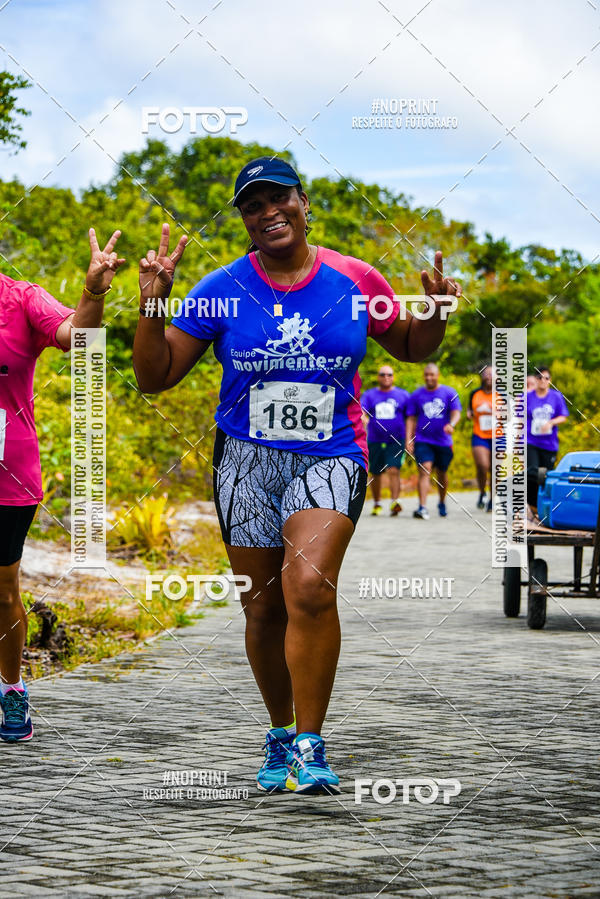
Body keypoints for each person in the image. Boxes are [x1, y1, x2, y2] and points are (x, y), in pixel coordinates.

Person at [132, 156, 461, 795]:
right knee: (263, 606)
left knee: (308, 586)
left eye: (279, 199)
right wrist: (152, 305)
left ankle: (311, 742)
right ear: (245, 221)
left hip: (332, 450)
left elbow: (413, 348)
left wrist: (439, 313)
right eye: (253, 206)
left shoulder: (355, 277)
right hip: (246, 457)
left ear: (304, 203)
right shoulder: (220, 288)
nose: (268, 213)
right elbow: (155, 376)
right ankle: (280, 730)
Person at [0, 229, 125, 743]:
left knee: (3, 588)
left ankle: (11, 691)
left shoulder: (21, 298)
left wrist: (93, 292)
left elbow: (81, 337)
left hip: (7, 473)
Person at [405, 363, 461, 519]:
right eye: (426, 375)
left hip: (443, 441)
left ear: (438, 375)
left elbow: (456, 412)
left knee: (442, 473)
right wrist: (409, 439)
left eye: (432, 375)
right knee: (425, 469)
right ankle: (422, 507)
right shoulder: (417, 395)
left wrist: (452, 424)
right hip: (423, 439)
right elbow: (411, 418)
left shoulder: (449, 392)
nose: (429, 378)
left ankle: (442, 501)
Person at [361, 366, 409, 516]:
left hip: (396, 439)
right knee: (376, 472)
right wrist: (365, 420)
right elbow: (361, 412)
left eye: (389, 374)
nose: (386, 377)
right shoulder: (370, 395)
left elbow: (411, 418)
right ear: (378, 377)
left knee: (393, 469)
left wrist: (409, 440)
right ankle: (377, 503)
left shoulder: (403, 395)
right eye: (383, 374)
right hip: (375, 439)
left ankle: (395, 502)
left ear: (393, 377)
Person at [526, 366, 569, 517]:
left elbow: (563, 416)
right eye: (539, 378)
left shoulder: (556, 397)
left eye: (546, 378)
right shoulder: (527, 397)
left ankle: (542, 507)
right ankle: (531, 507)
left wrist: (551, 423)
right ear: (535, 380)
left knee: (545, 475)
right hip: (531, 441)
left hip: (549, 444)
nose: (543, 381)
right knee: (532, 472)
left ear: (550, 381)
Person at [466, 366, 503, 512]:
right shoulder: (475, 393)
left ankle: (493, 499)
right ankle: (482, 492)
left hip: (498, 436)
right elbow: (470, 410)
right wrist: (469, 414)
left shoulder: (503, 395)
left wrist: (497, 413)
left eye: (492, 374)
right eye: (486, 374)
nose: (489, 377)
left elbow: (510, 416)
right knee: (482, 465)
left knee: (496, 469)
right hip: (479, 434)